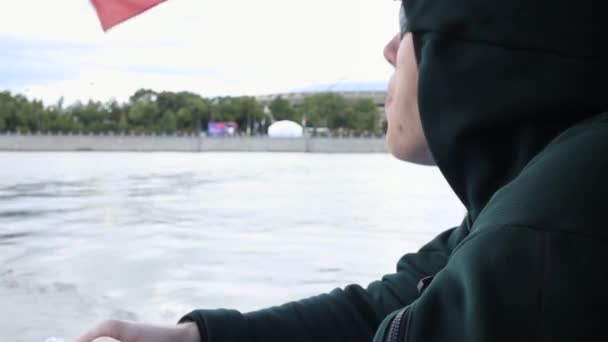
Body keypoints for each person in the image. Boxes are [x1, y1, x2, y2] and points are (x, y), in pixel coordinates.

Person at [77, 0, 608, 340]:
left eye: (408, 23)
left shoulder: (546, 234)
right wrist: (198, 338)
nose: (388, 50)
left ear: (472, 44)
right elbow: (390, 307)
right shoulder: (523, 196)